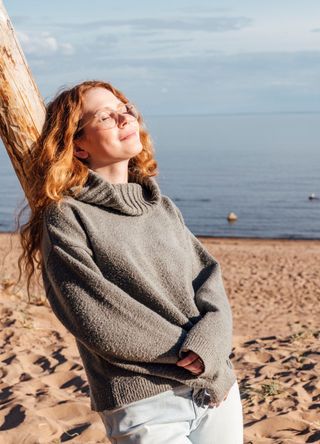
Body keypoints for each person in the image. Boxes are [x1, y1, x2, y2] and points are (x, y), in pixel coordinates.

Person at [18, 80, 243, 443]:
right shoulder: (67, 217)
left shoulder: (161, 206)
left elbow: (209, 282)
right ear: (78, 146)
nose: (124, 118)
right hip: (145, 401)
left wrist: (210, 346)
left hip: (216, 387)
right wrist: (186, 349)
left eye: (125, 109)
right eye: (105, 116)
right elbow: (94, 314)